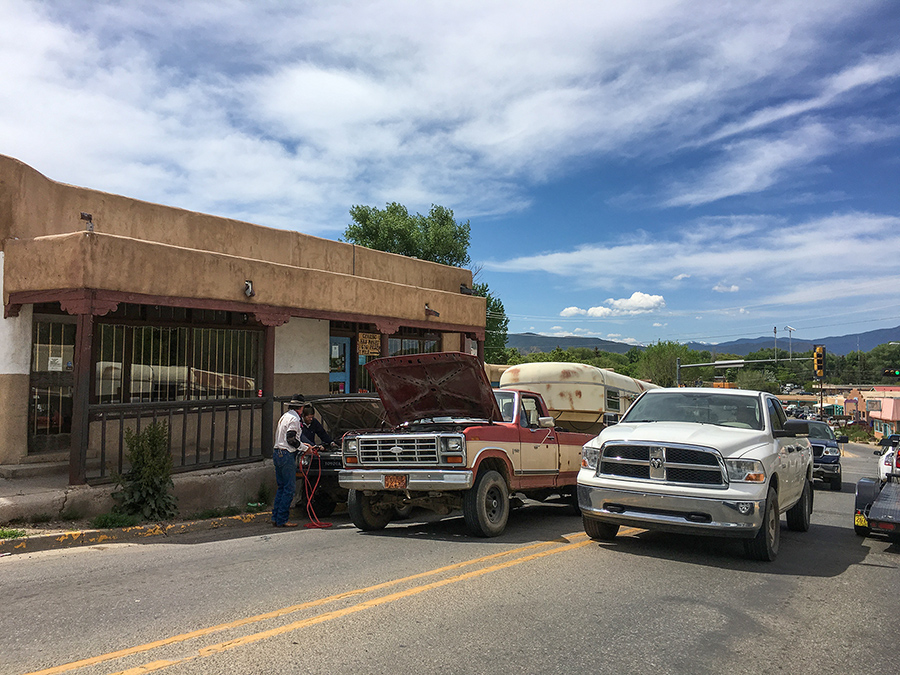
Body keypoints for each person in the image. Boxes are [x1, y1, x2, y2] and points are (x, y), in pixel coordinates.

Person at [272, 397, 309, 527]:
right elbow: (291, 439)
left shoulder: (285, 417)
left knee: (282, 487)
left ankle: (275, 517)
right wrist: (305, 448)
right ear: (301, 408)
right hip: (286, 454)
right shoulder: (294, 419)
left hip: (278, 452)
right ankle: (282, 519)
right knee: (289, 488)